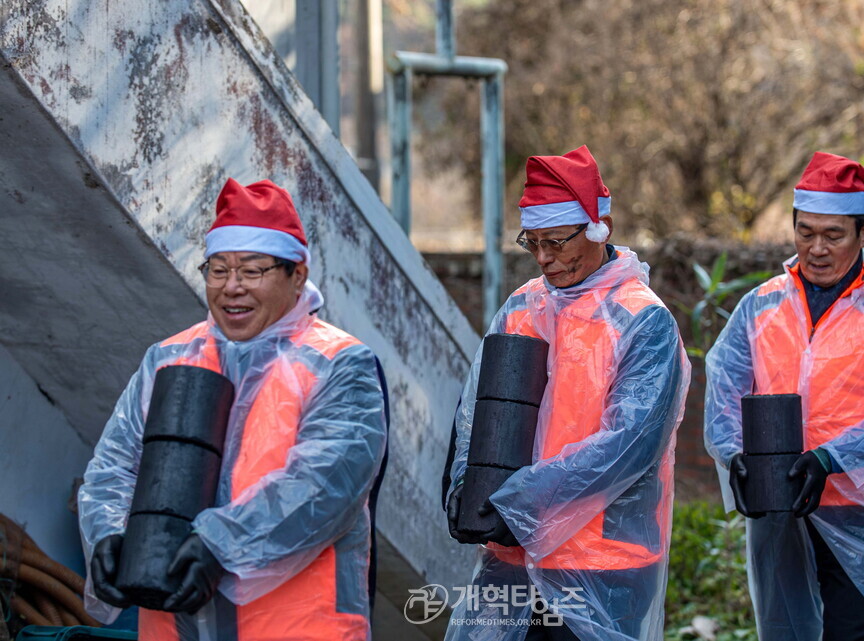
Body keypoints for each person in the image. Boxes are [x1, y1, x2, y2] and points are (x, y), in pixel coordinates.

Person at [78, 178, 388, 641]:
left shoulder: (339, 363)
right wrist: (107, 532)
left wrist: (219, 545)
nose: (231, 288)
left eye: (252, 270)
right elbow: (114, 468)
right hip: (173, 625)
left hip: (296, 626)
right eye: (218, 270)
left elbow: (324, 487)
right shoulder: (168, 358)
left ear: (297, 275)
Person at [704, 152, 864, 641]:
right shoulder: (760, 304)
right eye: (805, 232)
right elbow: (725, 389)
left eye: (834, 235)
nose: (816, 248)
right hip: (776, 499)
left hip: (860, 508)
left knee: (851, 633)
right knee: (784, 630)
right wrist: (733, 453)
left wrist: (829, 458)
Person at [443, 146, 690, 641]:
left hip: (603, 563)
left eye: (556, 241)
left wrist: (520, 504)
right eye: (531, 242)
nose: (543, 258)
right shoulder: (521, 307)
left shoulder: (643, 320)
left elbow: (627, 448)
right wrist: (460, 485)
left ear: (602, 227)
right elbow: (474, 413)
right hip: (513, 552)